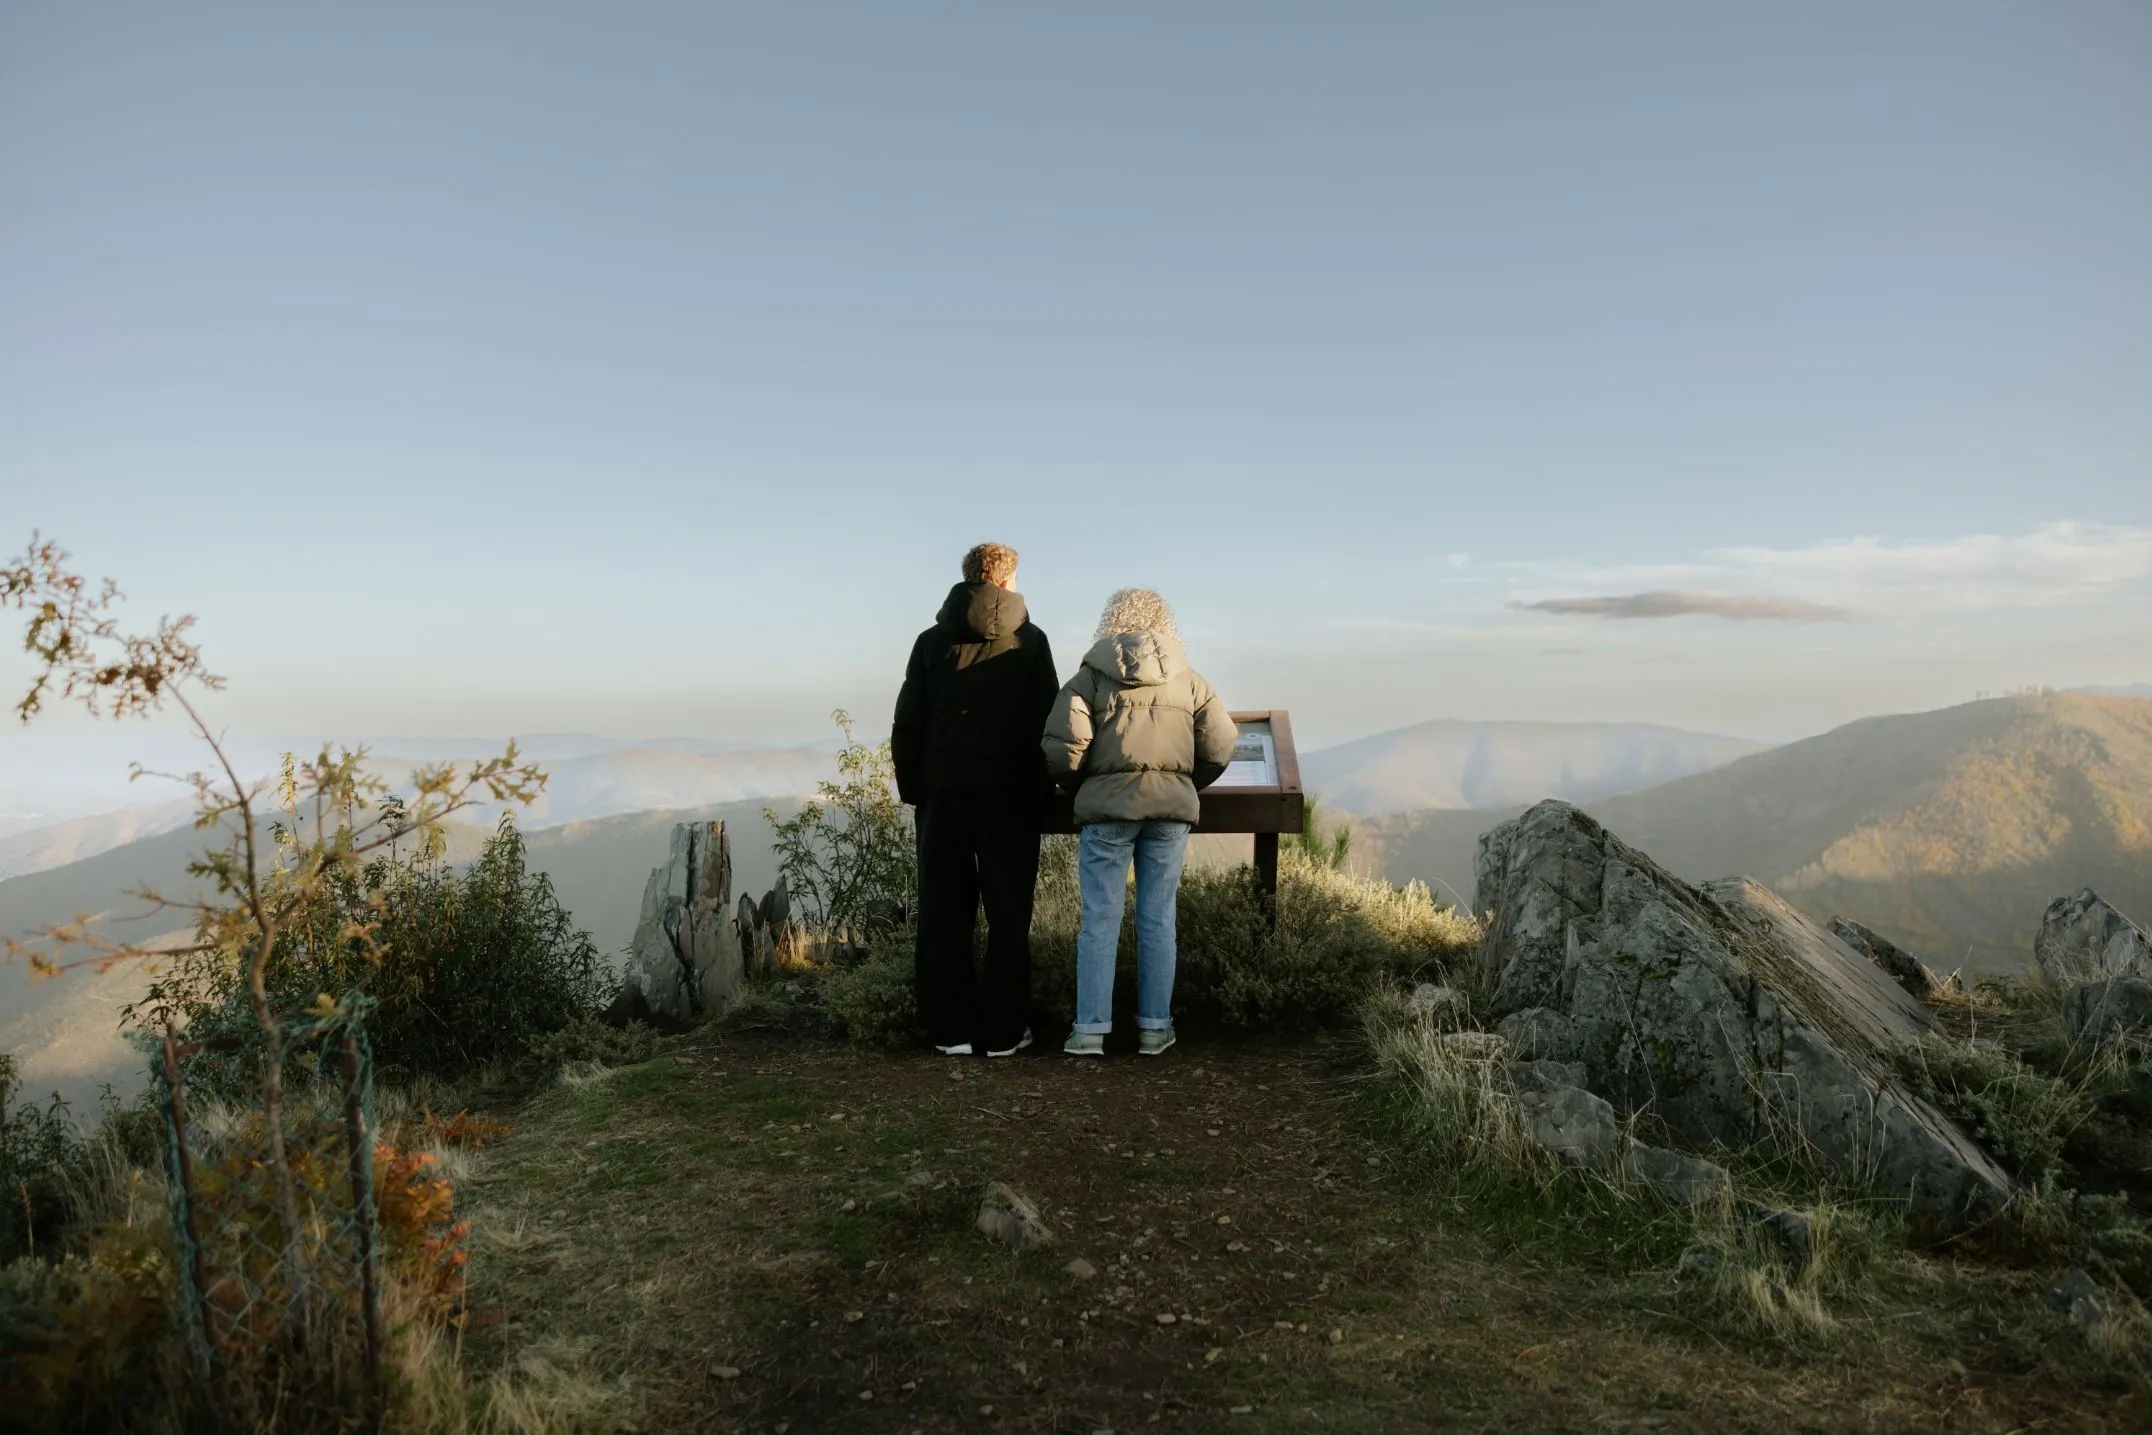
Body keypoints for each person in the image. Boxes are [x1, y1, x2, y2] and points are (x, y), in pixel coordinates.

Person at [1042, 588, 1236, 1057]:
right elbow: (1221, 747)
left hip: (1107, 814)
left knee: (1100, 920)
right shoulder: (1191, 682)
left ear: (1110, 621)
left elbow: (1061, 751)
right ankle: (1154, 1028)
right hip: (1169, 815)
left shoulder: (1088, 679)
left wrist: (1083, 789)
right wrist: (1182, 783)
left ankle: (1090, 1030)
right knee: (1158, 916)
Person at [891, 542, 1058, 1058]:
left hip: (944, 796)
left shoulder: (929, 643)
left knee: (943, 911)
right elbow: (1046, 724)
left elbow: (908, 724)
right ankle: (1006, 1031)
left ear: (967, 579)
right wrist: (1040, 794)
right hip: (1009, 799)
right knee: (1009, 913)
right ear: (1008, 582)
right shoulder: (1030, 642)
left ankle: (950, 1030)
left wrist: (918, 791)